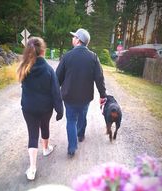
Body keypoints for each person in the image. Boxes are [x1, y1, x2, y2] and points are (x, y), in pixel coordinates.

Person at [17, 37, 63, 180]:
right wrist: (59, 110)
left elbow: (23, 88)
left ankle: (32, 169)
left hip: (28, 108)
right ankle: (45, 149)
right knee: (45, 126)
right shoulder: (49, 70)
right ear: (43, 51)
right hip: (45, 108)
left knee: (32, 135)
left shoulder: (24, 68)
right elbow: (56, 92)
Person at [56, 28, 107, 157]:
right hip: (85, 97)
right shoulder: (93, 57)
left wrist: (55, 93)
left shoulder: (67, 56)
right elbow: (99, 78)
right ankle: (80, 134)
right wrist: (103, 95)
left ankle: (72, 147)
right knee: (82, 115)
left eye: (74, 37)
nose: (72, 39)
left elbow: (57, 78)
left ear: (78, 40)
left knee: (71, 120)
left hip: (69, 96)